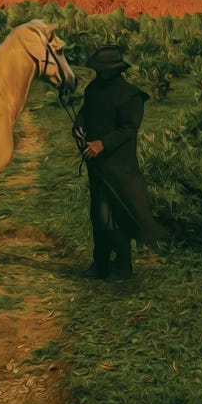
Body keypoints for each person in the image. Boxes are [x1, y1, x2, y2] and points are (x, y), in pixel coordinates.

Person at [72, 45, 168, 282]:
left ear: (114, 70)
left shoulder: (131, 96)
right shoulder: (93, 89)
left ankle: (123, 266)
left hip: (119, 167)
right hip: (97, 166)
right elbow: (85, 112)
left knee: (116, 217)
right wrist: (78, 126)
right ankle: (100, 264)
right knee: (98, 215)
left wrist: (102, 143)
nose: (99, 73)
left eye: (103, 69)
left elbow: (128, 129)